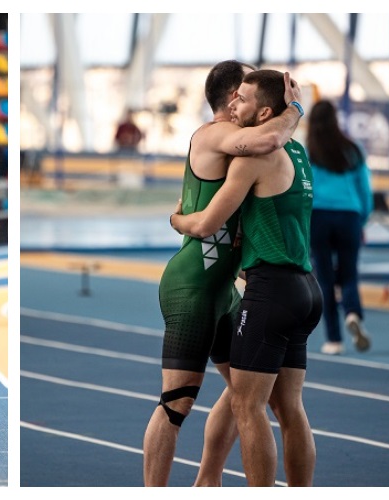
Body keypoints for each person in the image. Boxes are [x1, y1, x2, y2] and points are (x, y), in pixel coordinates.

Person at [143, 61, 303, 487]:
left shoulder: (242, 147)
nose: (253, 92)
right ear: (234, 96)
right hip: (193, 285)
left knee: (247, 392)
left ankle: (207, 480)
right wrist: (294, 108)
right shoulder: (215, 135)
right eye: (247, 87)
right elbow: (270, 137)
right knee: (176, 402)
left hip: (225, 290)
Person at [305, 99, 373, 355]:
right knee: (349, 274)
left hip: (318, 216)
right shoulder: (353, 149)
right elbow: (364, 190)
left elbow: (302, 189)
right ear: (336, 120)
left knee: (324, 279)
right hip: (349, 216)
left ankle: (334, 340)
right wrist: (361, 220)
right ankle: (353, 313)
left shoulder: (308, 151)